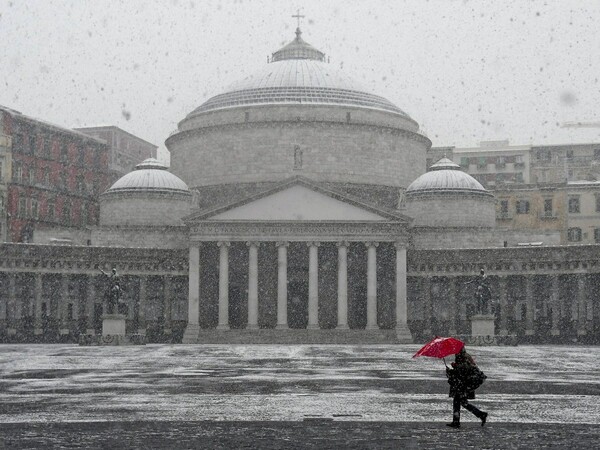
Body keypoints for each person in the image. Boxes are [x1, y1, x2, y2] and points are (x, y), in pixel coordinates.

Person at [445, 347, 488, 428]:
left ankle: (457, 421)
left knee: (459, 401)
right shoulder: (463, 355)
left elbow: (463, 370)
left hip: (464, 384)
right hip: (464, 383)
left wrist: (455, 368)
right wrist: (452, 370)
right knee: (461, 402)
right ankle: (479, 415)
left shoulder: (463, 356)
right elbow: (462, 370)